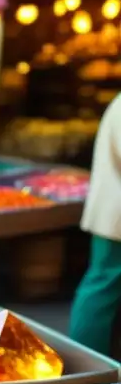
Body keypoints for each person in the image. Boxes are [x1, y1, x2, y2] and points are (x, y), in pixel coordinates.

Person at [70, 93, 121, 355]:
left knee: (103, 286)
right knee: (102, 287)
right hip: (116, 218)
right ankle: (87, 360)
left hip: (113, 214)